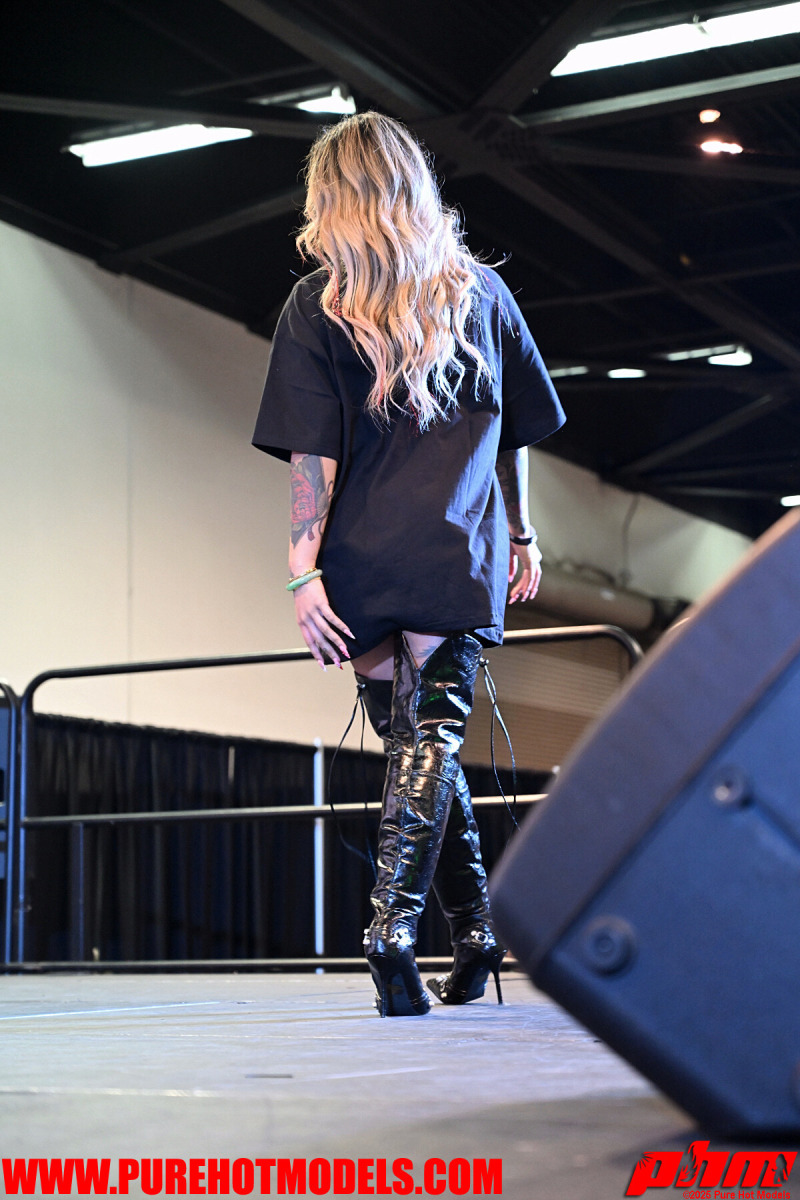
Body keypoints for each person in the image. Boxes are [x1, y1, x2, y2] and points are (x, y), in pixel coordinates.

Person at [253, 112, 565, 1017]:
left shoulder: (317, 304)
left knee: (414, 747)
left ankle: (471, 936)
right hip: (452, 548)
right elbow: (515, 430)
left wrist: (303, 571)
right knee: (431, 742)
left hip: (359, 556)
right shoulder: (480, 293)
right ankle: (396, 933)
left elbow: (314, 459)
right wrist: (522, 533)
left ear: (330, 200)